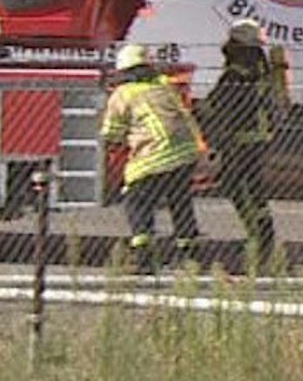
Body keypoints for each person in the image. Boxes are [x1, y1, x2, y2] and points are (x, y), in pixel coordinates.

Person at [101, 42, 205, 273]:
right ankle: (189, 257)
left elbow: (111, 133)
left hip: (154, 155)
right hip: (186, 152)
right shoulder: (165, 86)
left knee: (136, 201)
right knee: (180, 202)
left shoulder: (124, 93)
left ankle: (143, 258)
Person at [197, 19, 287, 269]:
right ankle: (260, 236)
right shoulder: (260, 67)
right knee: (251, 188)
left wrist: (198, 111)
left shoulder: (237, 72)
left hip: (241, 137)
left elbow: (217, 103)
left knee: (241, 188)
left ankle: (260, 238)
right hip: (257, 135)